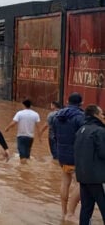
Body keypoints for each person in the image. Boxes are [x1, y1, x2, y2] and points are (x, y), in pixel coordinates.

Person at [52, 92, 84, 222]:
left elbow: (54, 135)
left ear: (67, 100)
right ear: (81, 103)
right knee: (81, 184)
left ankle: (64, 212)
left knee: (65, 181)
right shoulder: (80, 117)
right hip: (76, 156)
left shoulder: (56, 116)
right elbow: (84, 136)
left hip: (61, 154)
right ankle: (71, 213)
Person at [74, 105, 105, 224]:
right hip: (96, 177)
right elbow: (103, 153)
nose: (103, 116)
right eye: (101, 113)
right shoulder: (100, 131)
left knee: (86, 208)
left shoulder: (81, 129)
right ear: (95, 115)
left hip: (82, 176)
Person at [5, 99, 41, 163]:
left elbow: (14, 123)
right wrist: (39, 137)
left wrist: (7, 128)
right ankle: (27, 170)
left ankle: (22, 171)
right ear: (30, 106)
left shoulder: (20, 113)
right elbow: (38, 127)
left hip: (21, 137)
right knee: (27, 156)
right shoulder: (35, 114)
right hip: (30, 137)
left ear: (23, 105)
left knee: (22, 156)